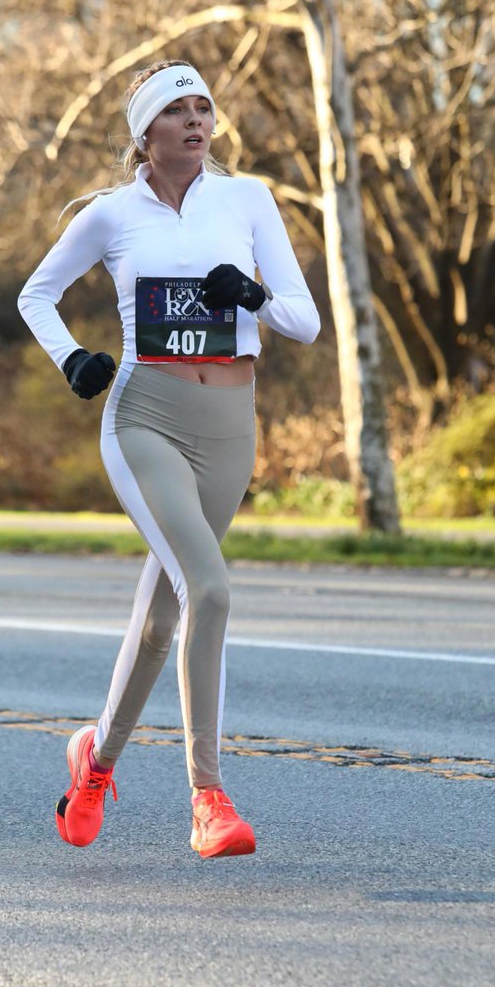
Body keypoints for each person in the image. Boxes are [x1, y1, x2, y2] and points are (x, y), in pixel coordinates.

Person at [18, 60, 319, 858]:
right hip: (145, 416)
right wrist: (71, 357)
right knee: (208, 589)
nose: (195, 122)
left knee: (161, 621)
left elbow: (306, 321)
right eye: (177, 111)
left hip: (230, 424)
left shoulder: (247, 200)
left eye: (204, 108)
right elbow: (34, 294)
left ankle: (94, 764)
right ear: (144, 133)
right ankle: (208, 799)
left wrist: (252, 296)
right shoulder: (112, 216)